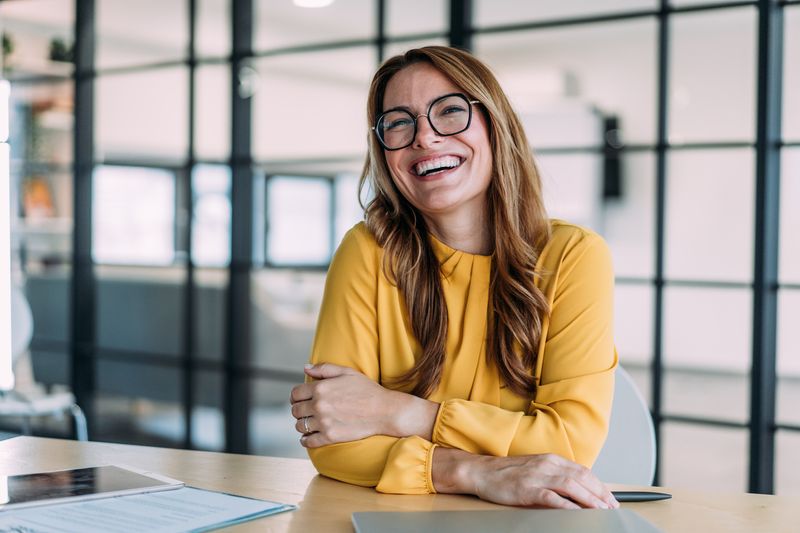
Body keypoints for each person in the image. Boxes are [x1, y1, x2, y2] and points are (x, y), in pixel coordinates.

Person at [289, 45, 619, 510]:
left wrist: (397, 413)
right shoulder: (367, 251)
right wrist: (476, 471)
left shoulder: (574, 257)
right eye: (399, 122)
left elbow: (568, 446)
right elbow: (334, 441)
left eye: (449, 112)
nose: (425, 138)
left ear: (495, 125)